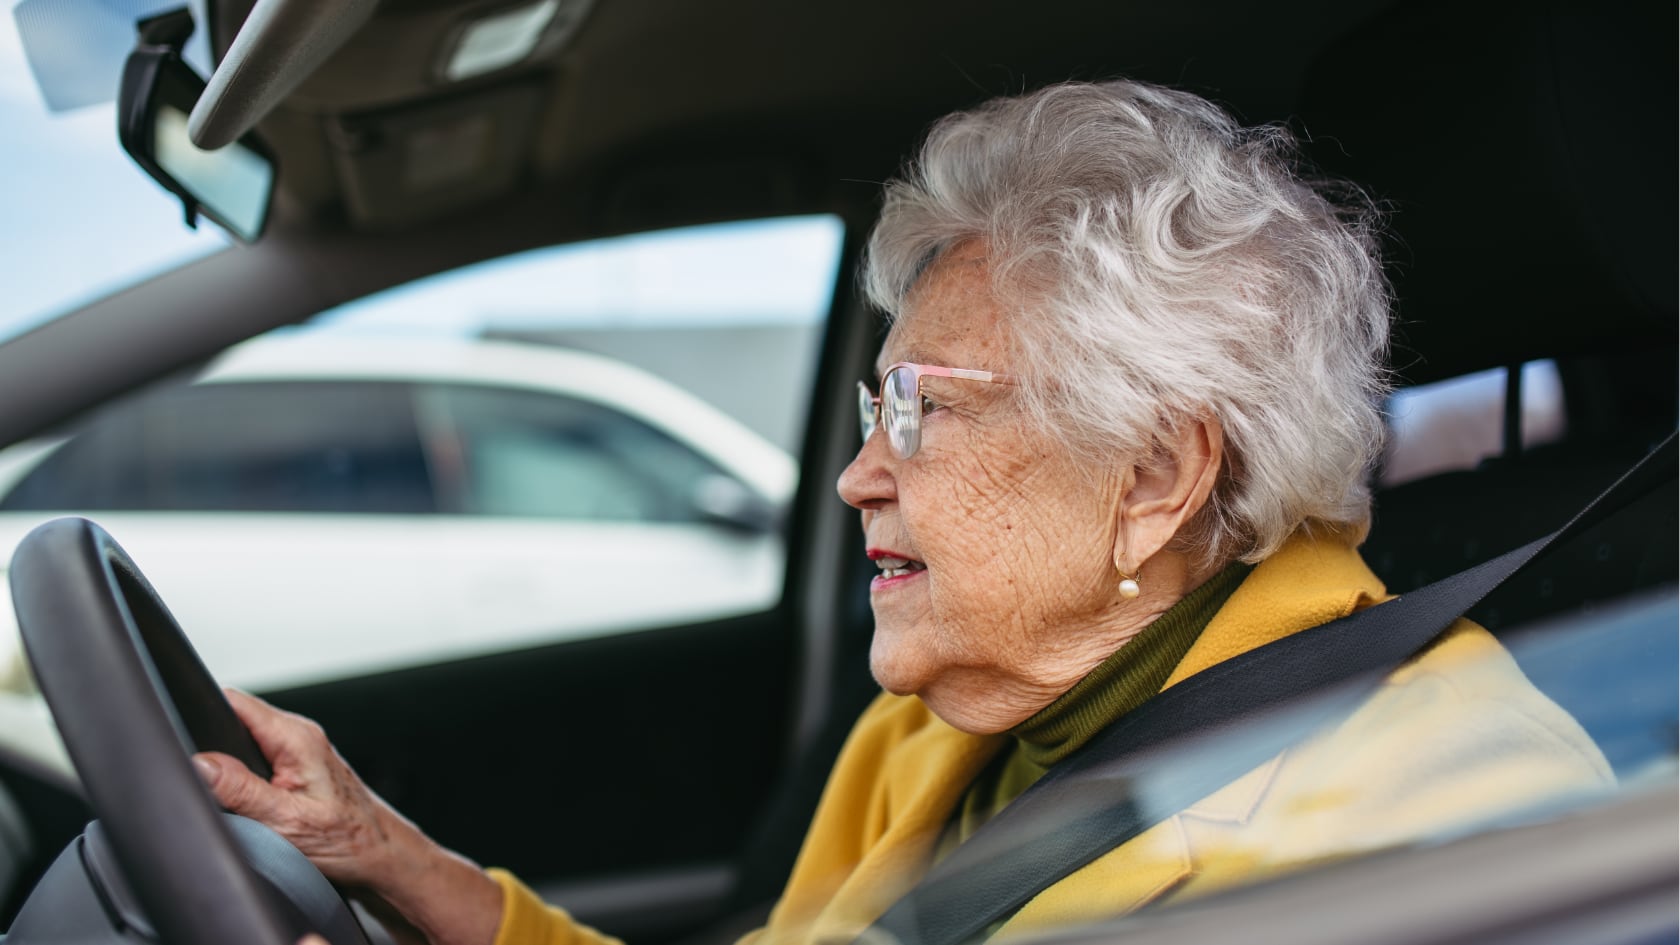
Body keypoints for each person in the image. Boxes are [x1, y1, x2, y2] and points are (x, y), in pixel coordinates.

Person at [196, 79, 1612, 945]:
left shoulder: (1434, 819)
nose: (858, 475)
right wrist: (391, 860)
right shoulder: (941, 724)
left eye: (922, 411)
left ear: (1151, 478)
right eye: (877, 410)